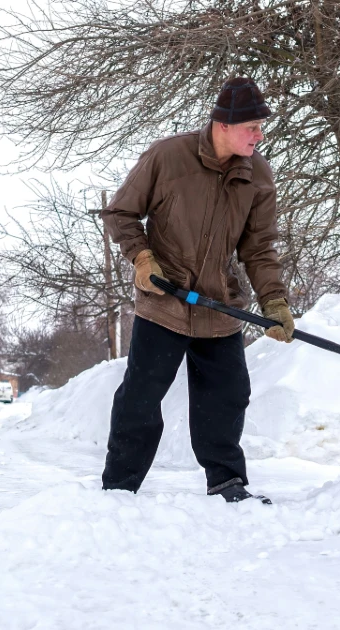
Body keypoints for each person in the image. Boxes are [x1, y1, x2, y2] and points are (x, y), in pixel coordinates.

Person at [100, 77, 294, 504]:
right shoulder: (168, 157)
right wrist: (143, 258)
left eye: (261, 127)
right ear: (222, 125)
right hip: (164, 302)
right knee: (141, 396)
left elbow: (258, 248)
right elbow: (120, 213)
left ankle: (227, 483)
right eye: (252, 128)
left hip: (218, 305)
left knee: (227, 397)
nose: (260, 136)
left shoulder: (257, 175)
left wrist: (274, 301)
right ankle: (118, 488)